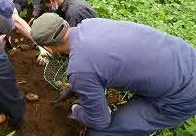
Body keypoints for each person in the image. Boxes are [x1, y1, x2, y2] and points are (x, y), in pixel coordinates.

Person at [31, 13, 196, 136]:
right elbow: (104, 62)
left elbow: (100, 122)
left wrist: (76, 110)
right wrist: (77, 86)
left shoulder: (80, 70)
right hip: (187, 58)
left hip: (182, 96)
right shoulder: (91, 24)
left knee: (104, 132)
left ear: (48, 47)